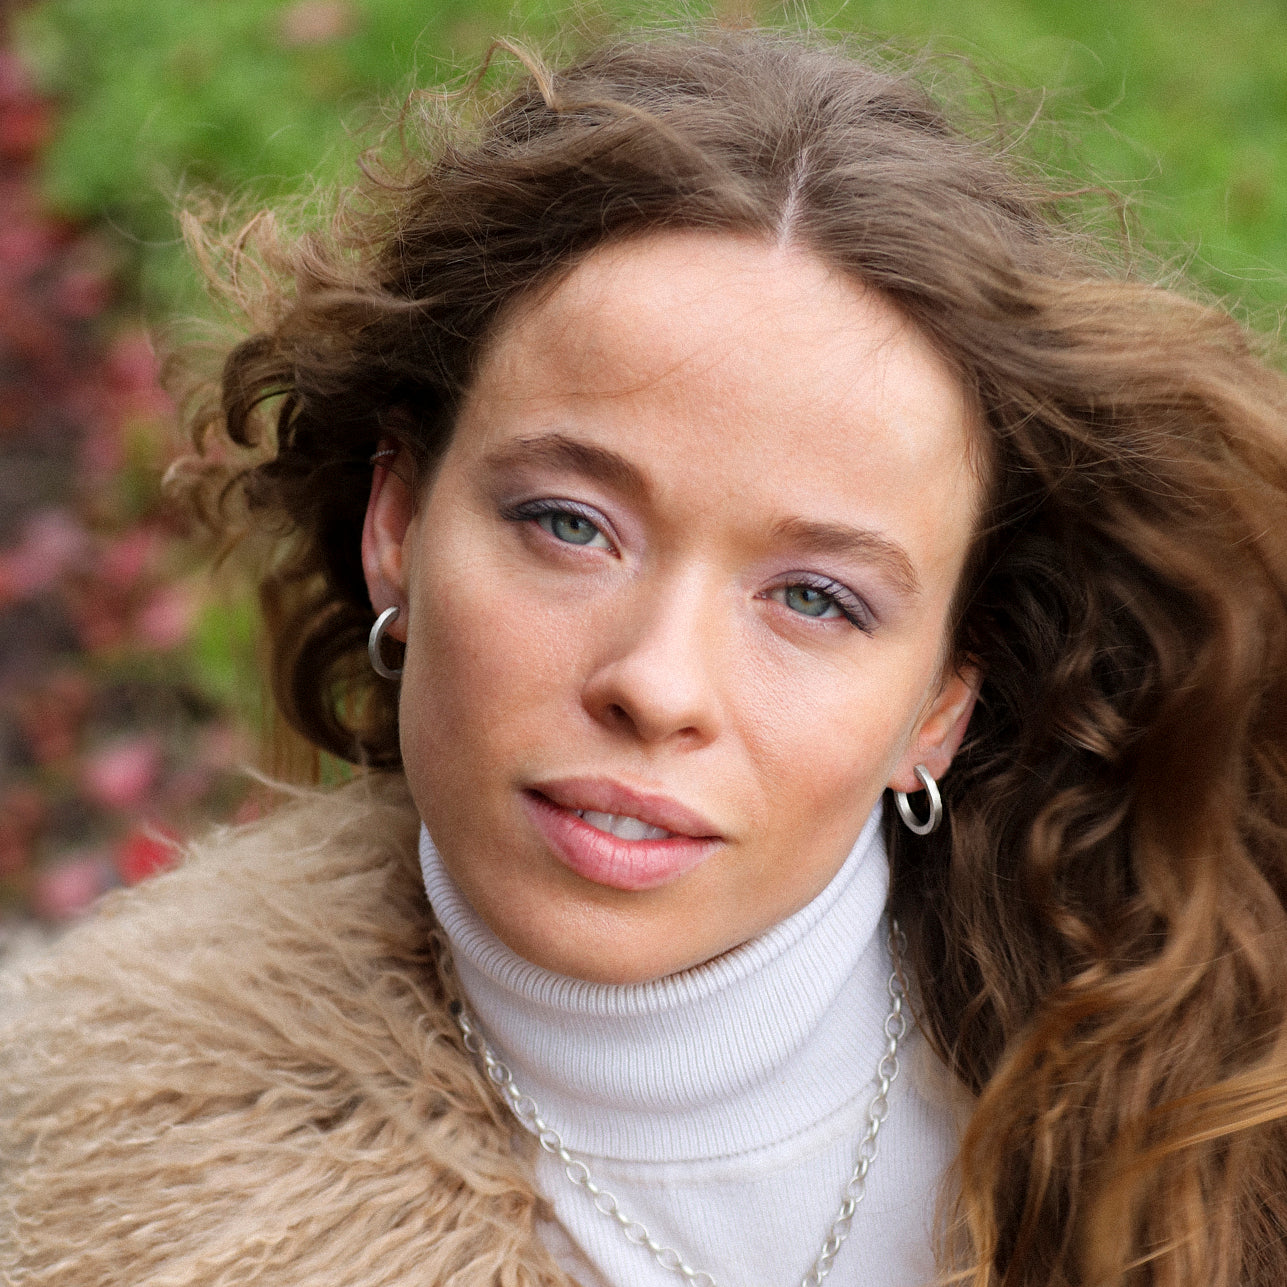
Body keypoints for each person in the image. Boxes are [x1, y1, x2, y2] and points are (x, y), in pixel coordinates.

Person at [4, 25, 1287, 1287]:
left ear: (941, 708)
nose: (657, 685)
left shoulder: (1209, 1128)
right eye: (572, 526)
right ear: (397, 523)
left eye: (817, 600)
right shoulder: (86, 1177)